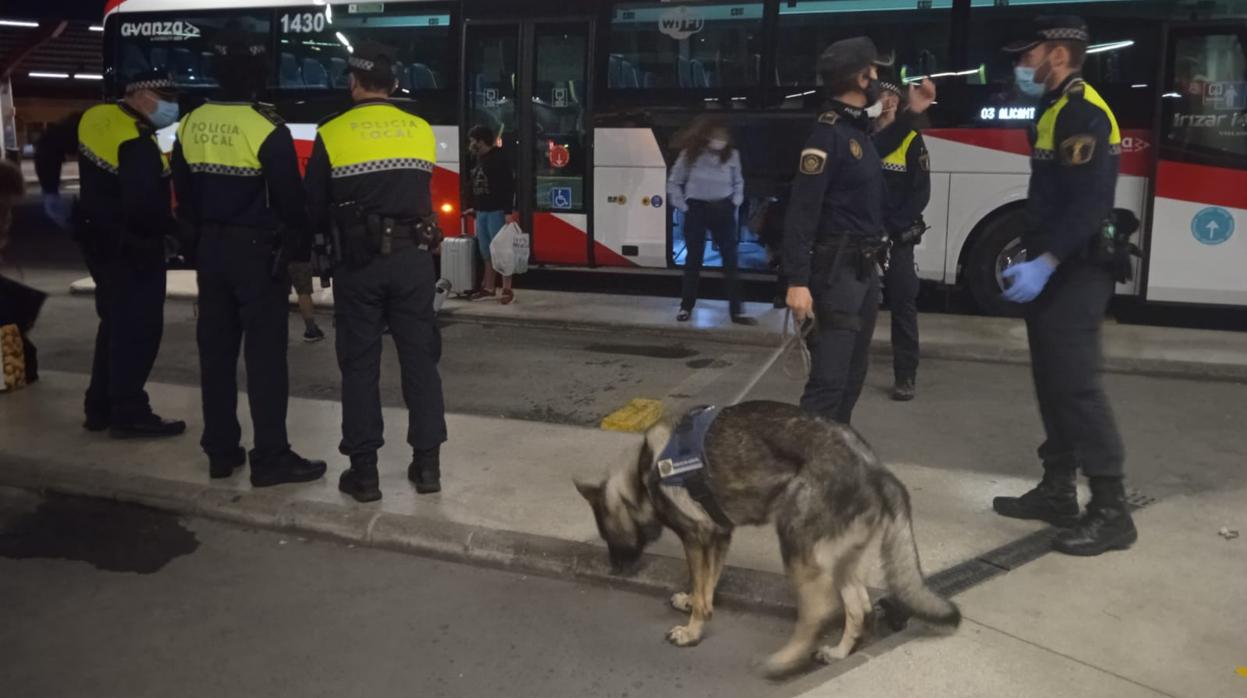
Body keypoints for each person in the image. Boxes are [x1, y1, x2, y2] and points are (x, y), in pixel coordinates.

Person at [992, 16, 1136, 556]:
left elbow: (1090, 205)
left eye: (1026, 55)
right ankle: (1058, 491)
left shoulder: (1082, 111)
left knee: (1077, 387)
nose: (1020, 65)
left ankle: (1111, 510)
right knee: (1052, 383)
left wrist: (1046, 261)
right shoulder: (1052, 108)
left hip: (1076, 269)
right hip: (1054, 267)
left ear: (1056, 54)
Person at [170, 30, 327, 486]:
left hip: (209, 254)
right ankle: (271, 457)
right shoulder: (267, 129)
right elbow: (290, 203)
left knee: (215, 354)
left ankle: (221, 452)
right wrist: (297, 247)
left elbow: (181, 194)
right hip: (256, 255)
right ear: (258, 79)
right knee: (265, 359)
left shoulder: (190, 123)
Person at [304, 42, 448, 503]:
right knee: (420, 362)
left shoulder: (332, 133)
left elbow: (312, 206)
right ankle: (428, 468)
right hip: (413, 260)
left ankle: (364, 474)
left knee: (360, 366)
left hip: (359, 263)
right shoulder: (420, 129)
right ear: (393, 82)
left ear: (354, 81)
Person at [782, 38, 934, 424]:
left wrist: (911, 114)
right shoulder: (827, 136)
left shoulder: (856, 133)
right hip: (837, 273)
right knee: (829, 382)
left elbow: (880, 144)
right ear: (860, 76)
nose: (879, 79)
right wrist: (797, 280)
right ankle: (806, 468)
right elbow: (801, 212)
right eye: (875, 71)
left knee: (853, 376)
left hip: (863, 272)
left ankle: (835, 454)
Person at [72, 70, 185, 438]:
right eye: (163, 96)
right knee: (139, 329)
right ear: (139, 96)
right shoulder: (135, 140)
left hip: (98, 241)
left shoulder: (96, 117)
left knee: (115, 325)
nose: (170, 105)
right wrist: (174, 234)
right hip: (133, 248)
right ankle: (129, 411)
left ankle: (100, 406)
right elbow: (144, 206)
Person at [872, 71, 930, 402]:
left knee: (903, 305)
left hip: (896, 238)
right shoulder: (864, 138)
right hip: (866, 235)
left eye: (893, 95)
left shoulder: (911, 140)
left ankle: (905, 375)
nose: (888, 100)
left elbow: (920, 194)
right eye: (882, 94)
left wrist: (892, 228)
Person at [668, 115, 752, 325]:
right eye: (715, 134)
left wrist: (735, 202)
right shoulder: (690, 155)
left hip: (723, 208)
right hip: (697, 209)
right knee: (693, 261)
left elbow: (738, 181)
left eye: (722, 135)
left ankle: (737, 311)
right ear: (705, 135)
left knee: (730, 260)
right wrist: (684, 206)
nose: (720, 138)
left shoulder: (732, 155)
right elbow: (674, 182)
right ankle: (686, 307)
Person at [463, 124, 516, 304]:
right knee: (486, 251)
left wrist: (508, 212)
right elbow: (477, 186)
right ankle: (489, 287)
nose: (470, 144)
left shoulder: (499, 158)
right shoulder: (479, 159)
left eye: (472, 141)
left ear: (480, 141)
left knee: (502, 251)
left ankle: (507, 288)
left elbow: (508, 187)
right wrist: (474, 207)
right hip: (482, 212)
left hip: (497, 211)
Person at [289, 260, 325, 342]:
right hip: (300, 258)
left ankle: (279, 329)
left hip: (279, 257)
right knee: (304, 292)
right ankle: (311, 330)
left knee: (280, 294)